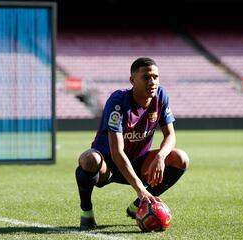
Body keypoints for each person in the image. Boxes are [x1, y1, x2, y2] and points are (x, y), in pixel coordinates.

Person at [75, 57, 190, 230]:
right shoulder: (118, 102)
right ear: (132, 80)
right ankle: (87, 212)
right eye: (146, 77)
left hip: (139, 161)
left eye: (155, 77)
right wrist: (140, 188)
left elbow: (170, 135)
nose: (152, 82)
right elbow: (117, 152)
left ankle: (137, 206)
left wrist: (160, 156)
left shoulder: (161, 96)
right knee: (88, 159)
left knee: (180, 158)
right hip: (109, 164)